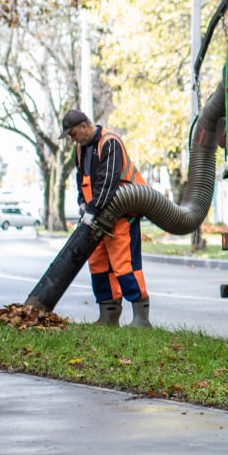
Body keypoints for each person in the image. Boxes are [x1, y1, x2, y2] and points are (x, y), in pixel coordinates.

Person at [60, 109, 151, 327]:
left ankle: (140, 318)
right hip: (96, 217)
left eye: (73, 133)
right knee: (98, 265)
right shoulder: (80, 150)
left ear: (84, 126)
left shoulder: (109, 142)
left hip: (121, 215)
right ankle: (108, 316)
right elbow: (81, 179)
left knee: (125, 265)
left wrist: (92, 210)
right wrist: (82, 203)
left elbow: (107, 181)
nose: (72, 139)